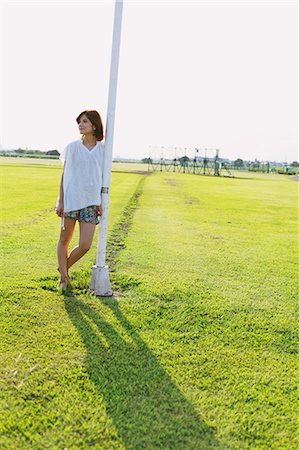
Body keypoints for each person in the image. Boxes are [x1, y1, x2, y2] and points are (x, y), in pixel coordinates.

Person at [55, 110, 105, 291]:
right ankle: (63, 279)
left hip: (91, 203)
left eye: (84, 121)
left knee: (85, 245)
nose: (80, 125)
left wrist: (101, 201)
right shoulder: (72, 147)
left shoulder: (103, 150)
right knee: (64, 241)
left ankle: (63, 269)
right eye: (79, 122)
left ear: (94, 125)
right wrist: (60, 201)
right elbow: (64, 175)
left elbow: (103, 178)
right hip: (70, 200)